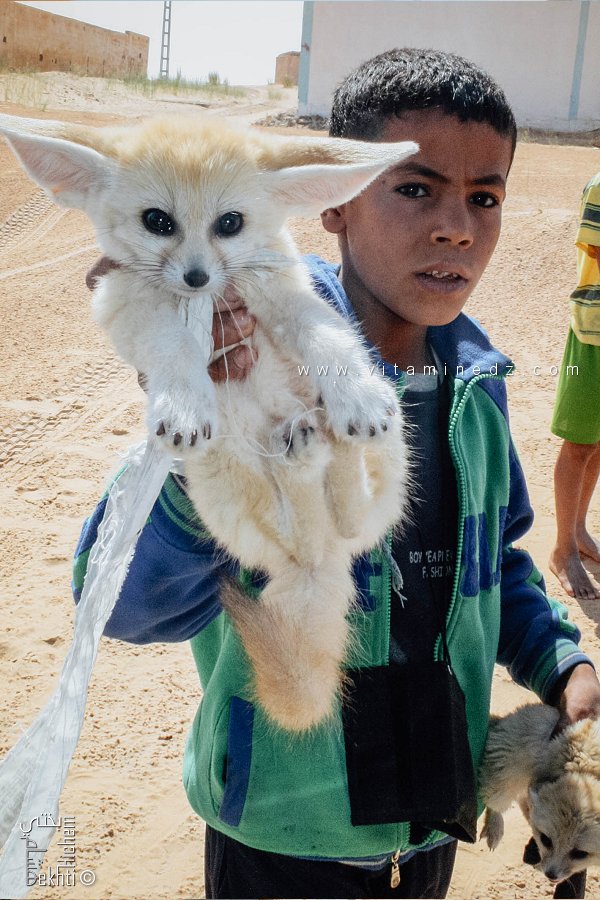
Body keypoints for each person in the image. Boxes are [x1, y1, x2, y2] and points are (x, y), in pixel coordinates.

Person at [75, 48, 600, 899]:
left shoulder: (477, 387)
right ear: (326, 202)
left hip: (432, 811)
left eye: (485, 197)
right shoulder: (245, 369)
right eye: (416, 188)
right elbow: (127, 607)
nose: (457, 228)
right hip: (283, 839)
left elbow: (492, 564)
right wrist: (195, 455)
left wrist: (562, 666)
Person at [549, 170, 600, 602]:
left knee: (598, 442)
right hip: (594, 334)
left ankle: (579, 529)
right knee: (579, 444)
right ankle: (562, 549)